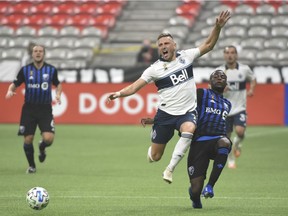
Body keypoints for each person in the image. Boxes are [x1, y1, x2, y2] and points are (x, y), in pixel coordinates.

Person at [107, 10, 231, 184]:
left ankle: (170, 169)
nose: (163, 46)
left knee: (189, 129)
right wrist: (119, 94)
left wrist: (217, 27)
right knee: (156, 156)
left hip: (186, 113)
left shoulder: (186, 57)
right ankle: (152, 153)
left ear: (174, 45)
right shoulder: (154, 69)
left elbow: (209, 45)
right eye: (160, 44)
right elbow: (135, 87)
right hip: (165, 114)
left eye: (166, 43)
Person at [142, 70, 232, 209]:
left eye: (223, 77)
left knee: (225, 143)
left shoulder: (227, 104)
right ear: (209, 82)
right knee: (195, 190)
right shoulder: (202, 94)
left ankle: (210, 186)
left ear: (226, 83)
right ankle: (196, 197)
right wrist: (156, 120)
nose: (219, 78)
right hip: (198, 143)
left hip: (217, 140)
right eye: (216, 76)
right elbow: (181, 108)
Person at [5, 44, 62, 174]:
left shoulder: (51, 70)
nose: (38, 53)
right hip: (29, 109)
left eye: (40, 51)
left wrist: (58, 94)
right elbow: (15, 83)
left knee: (49, 139)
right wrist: (10, 91)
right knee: (28, 139)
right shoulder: (25, 70)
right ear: (32, 54)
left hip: (45, 109)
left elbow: (58, 84)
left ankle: (42, 147)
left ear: (44, 54)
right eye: (35, 51)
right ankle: (32, 166)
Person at [216, 45, 256, 169]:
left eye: (232, 53)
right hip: (225, 110)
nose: (230, 55)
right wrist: (220, 89)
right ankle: (231, 159)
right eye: (227, 53)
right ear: (224, 55)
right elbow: (210, 87)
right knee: (226, 138)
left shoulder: (244, 69)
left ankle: (237, 145)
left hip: (240, 108)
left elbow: (253, 79)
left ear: (236, 55)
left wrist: (251, 89)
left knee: (240, 131)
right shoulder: (220, 71)